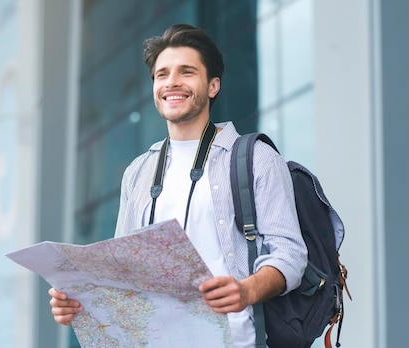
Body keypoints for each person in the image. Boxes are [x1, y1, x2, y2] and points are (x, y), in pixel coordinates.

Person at [48, 23, 307, 347]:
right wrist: (78, 302)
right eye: (162, 74)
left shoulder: (256, 157)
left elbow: (291, 254)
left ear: (213, 85)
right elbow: (120, 273)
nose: (172, 82)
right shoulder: (138, 173)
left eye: (186, 72)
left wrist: (247, 290)